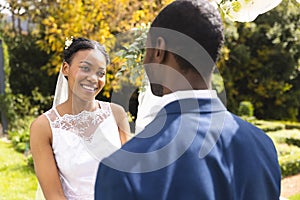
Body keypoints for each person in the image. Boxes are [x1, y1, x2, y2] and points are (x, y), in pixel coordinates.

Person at [94, 0, 281, 199]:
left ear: (159, 49)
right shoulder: (262, 145)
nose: (144, 61)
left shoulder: (127, 169)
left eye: (147, 50)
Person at [30, 37, 130, 200]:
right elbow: (54, 195)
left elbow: (131, 175)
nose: (93, 78)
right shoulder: (43, 127)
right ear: (65, 68)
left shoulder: (117, 114)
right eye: (85, 68)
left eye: (100, 73)